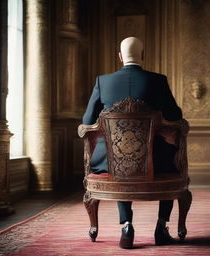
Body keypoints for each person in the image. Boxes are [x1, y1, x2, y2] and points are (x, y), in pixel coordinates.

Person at [82, 37, 183, 249]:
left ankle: (127, 225)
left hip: (111, 164)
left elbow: (87, 122)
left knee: (119, 157)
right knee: (170, 160)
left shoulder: (103, 81)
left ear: (119, 56)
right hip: (155, 163)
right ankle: (161, 226)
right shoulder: (158, 81)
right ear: (143, 55)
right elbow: (175, 115)